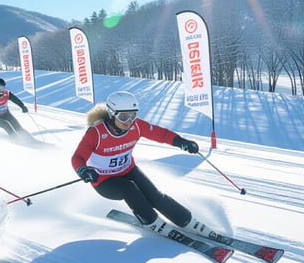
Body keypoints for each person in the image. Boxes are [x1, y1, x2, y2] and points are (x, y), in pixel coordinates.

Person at [71, 90, 204, 234]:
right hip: (104, 180)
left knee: (155, 195)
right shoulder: (95, 133)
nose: (129, 121)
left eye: (133, 115)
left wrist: (181, 142)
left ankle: (186, 220)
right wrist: (84, 170)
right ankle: (151, 221)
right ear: (111, 114)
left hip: (128, 170)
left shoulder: (137, 126)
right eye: (123, 116)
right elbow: (77, 157)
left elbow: (161, 134)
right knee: (130, 189)